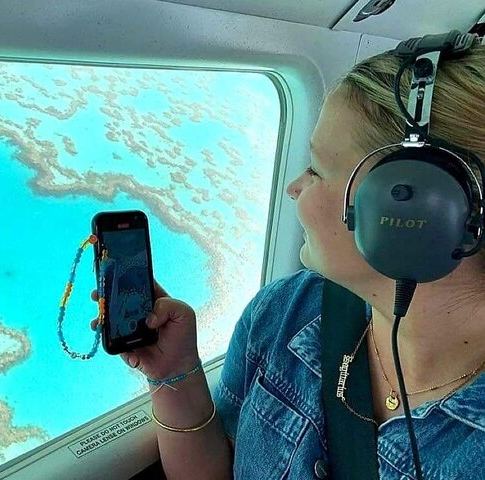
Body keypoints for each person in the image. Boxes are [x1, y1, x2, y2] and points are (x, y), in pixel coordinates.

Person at [92, 41, 485, 478]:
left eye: (316, 169)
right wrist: (174, 371)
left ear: (418, 213)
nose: (294, 187)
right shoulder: (286, 310)